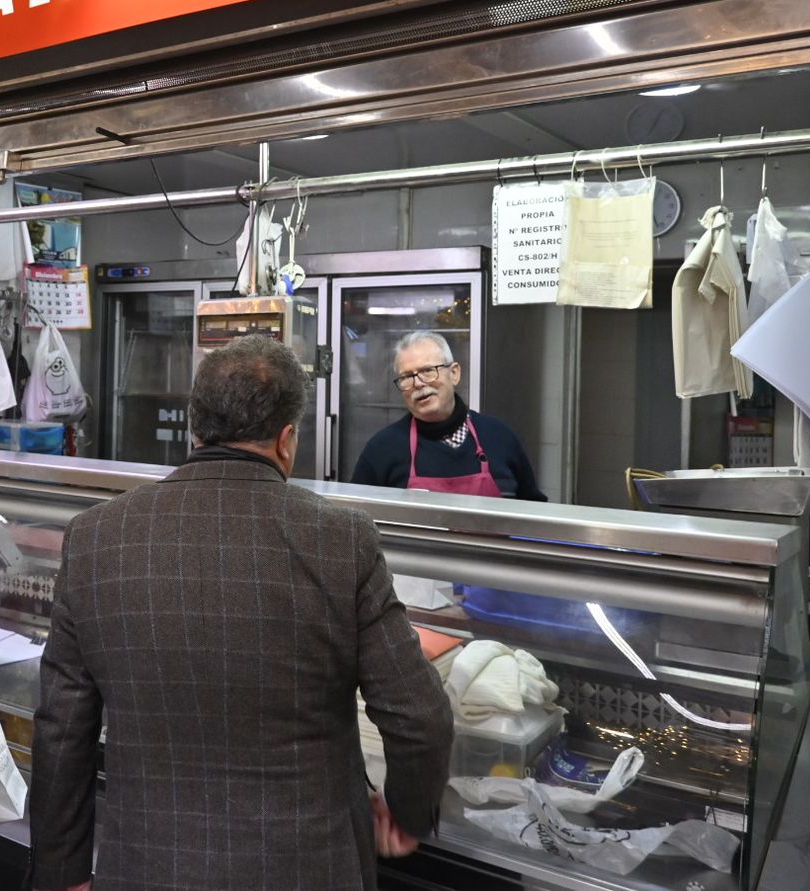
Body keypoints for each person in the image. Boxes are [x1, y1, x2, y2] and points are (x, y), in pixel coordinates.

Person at [30, 335, 455, 891]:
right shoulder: (341, 538)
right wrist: (407, 813)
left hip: (148, 865)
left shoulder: (97, 536)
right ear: (286, 439)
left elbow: (62, 728)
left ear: (195, 430)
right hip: (309, 868)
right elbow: (419, 717)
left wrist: (61, 871)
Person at [352, 330, 545, 500]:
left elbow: (533, 513)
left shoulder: (500, 438)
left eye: (428, 371)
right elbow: (357, 520)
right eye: (407, 377)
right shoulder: (383, 448)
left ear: (454, 373)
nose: (418, 383)